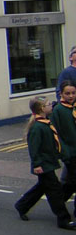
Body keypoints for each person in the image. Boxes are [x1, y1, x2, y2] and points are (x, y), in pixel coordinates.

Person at [15, 96, 76, 229]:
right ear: (42, 108)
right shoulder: (37, 127)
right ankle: (63, 219)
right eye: (49, 104)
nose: (51, 106)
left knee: (42, 187)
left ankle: (22, 205)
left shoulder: (46, 123)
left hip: (49, 162)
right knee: (55, 192)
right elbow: (34, 149)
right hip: (43, 165)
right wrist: (36, 164)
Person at [52, 81, 76, 217]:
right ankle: (59, 204)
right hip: (70, 152)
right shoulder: (59, 110)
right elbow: (56, 133)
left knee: (70, 182)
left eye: (73, 93)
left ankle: (58, 202)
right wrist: (64, 151)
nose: (71, 96)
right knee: (71, 182)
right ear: (61, 94)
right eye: (67, 93)